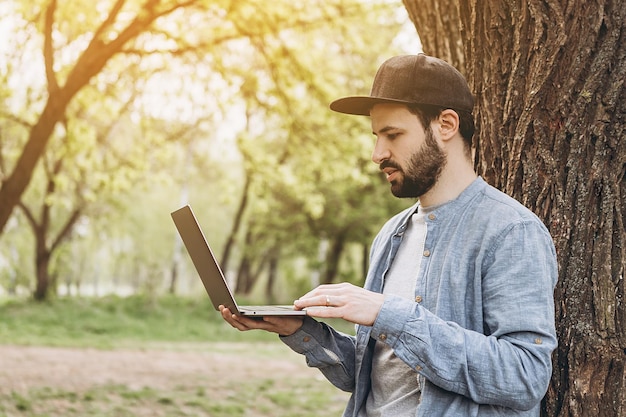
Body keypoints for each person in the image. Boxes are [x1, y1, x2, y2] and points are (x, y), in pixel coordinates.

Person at [220, 54, 558, 417]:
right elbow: (379, 374)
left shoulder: (511, 232)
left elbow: (525, 377)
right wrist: (301, 332)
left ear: (446, 124)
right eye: (376, 136)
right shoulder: (391, 235)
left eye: (393, 135)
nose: (377, 154)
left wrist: (389, 313)